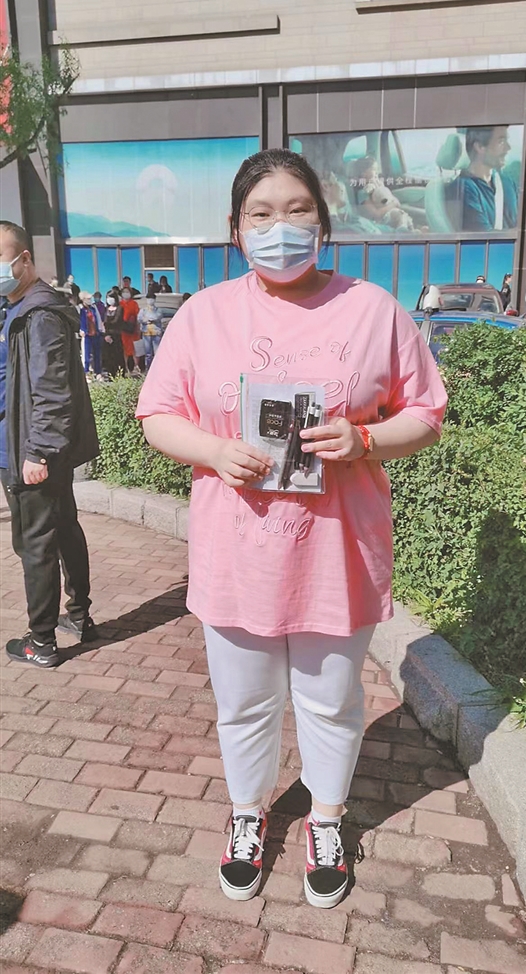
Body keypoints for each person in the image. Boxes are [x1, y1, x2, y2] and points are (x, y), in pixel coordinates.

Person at [136, 148, 447, 909]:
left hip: (336, 553)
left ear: (324, 221)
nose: (281, 228)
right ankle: (247, 814)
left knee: (331, 702)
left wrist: (365, 439)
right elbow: (157, 414)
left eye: (298, 210)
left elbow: (426, 412)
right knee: (244, 703)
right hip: (236, 552)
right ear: (236, 228)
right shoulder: (204, 315)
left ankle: (326, 819)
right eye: (262, 214)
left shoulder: (373, 309)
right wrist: (215, 451)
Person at [0, 221, 99, 666]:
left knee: (35, 542)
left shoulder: (39, 314)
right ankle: (78, 617)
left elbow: (53, 391)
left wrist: (38, 450)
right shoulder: (18, 308)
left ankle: (41, 642)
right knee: (63, 528)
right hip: (28, 442)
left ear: (24, 259)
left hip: (28, 448)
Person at [448, 126, 518, 232]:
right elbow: (483, 238)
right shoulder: (461, 189)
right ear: (480, 147)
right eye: (501, 142)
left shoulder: (507, 183)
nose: (508, 148)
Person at [79, 292, 105, 378]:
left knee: (97, 354)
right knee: (86, 355)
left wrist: (100, 330)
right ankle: (86, 372)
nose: (89, 300)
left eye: (90, 299)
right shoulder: (81, 309)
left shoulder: (93, 308)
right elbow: (79, 320)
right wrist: (80, 330)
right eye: (88, 299)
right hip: (86, 334)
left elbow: (98, 318)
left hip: (95, 334)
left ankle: (98, 372)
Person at [137, 290, 163, 370]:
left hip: (156, 333)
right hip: (146, 333)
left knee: (157, 352)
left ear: (155, 300)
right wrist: (145, 320)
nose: (150, 300)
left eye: (152, 299)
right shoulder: (143, 310)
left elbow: (157, 317)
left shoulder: (158, 310)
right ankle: (149, 369)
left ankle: (158, 369)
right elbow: (139, 318)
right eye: (148, 299)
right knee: (148, 354)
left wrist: (148, 319)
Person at [102, 289, 125, 377]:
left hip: (116, 335)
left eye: (111, 297)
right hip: (107, 335)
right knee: (109, 355)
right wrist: (106, 334)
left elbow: (117, 321)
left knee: (118, 354)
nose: (109, 299)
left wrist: (107, 324)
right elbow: (104, 321)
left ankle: (120, 374)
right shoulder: (106, 309)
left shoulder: (119, 308)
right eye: (108, 298)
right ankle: (110, 373)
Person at [120, 285, 141, 373]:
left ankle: (136, 366)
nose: (126, 294)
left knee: (135, 348)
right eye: (124, 292)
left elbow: (138, 317)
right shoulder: (120, 304)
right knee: (124, 349)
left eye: (127, 292)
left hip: (133, 330)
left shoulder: (134, 303)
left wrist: (138, 328)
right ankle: (126, 368)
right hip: (123, 330)